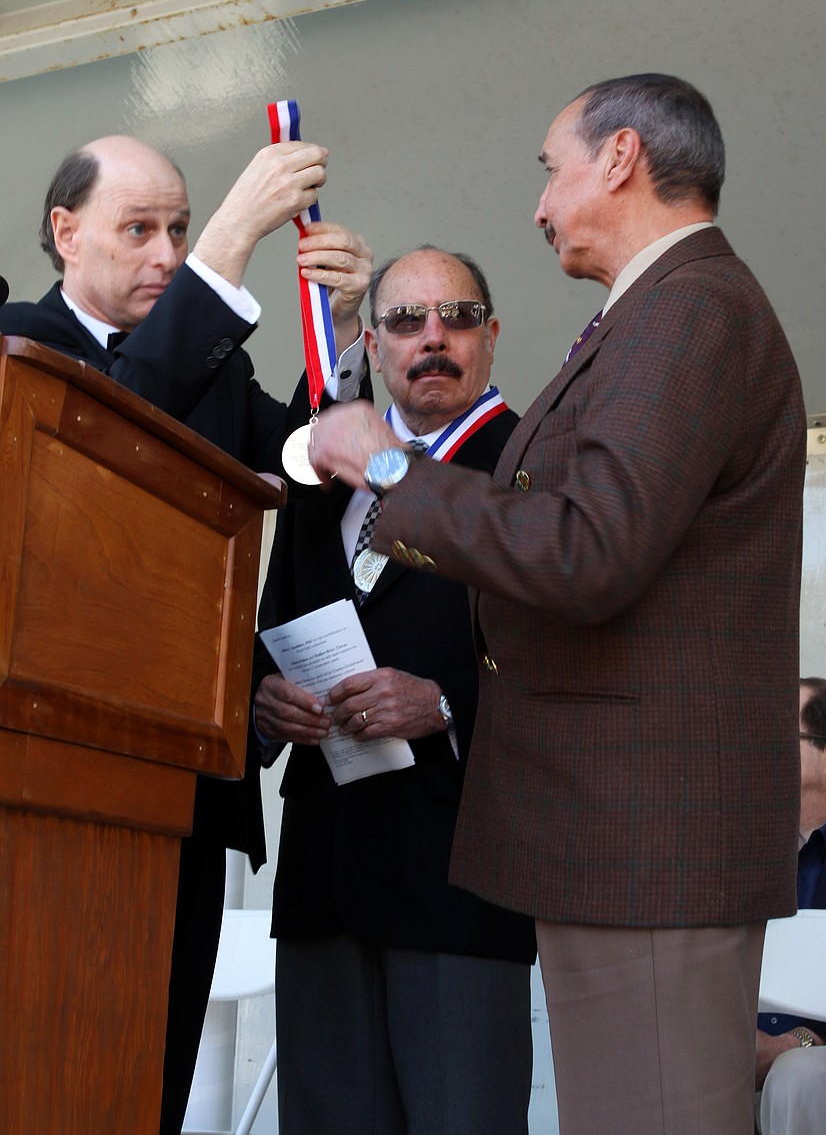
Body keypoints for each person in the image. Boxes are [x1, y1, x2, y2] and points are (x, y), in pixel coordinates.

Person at [305, 74, 807, 1135]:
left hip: (649, 841)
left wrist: (392, 473)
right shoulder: (660, 311)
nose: (539, 204)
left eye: (550, 168)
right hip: (615, 842)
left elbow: (588, 546)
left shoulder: (690, 309)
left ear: (619, 158)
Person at [0, 133, 372, 1135]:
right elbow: (109, 437)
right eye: (140, 230)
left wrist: (337, 338)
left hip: (184, 788)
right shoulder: (18, 345)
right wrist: (229, 237)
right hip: (48, 781)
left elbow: (300, 471)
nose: (166, 253)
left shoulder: (210, 361)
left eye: (178, 229)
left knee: (154, 1081)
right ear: (65, 233)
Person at [253, 245, 537, 1135]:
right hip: (324, 875)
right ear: (373, 347)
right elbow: (266, 622)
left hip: (458, 874)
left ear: (491, 337)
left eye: (457, 317)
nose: (433, 339)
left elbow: (578, 657)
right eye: (407, 321)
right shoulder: (318, 464)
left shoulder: (535, 462)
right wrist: (265, 701)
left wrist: (447, 703)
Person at [756, 676, 826, 1134]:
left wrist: (799, 1041)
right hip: (739, 1043)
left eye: (781, 734)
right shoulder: (745, 841)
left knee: (798, 1077)